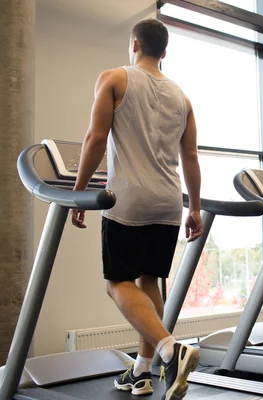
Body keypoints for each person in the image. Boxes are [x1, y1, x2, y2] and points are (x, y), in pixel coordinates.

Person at [71, 19, 202, 399]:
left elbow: (96, 138)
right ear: (164, 52)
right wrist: (194, 207)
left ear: (134, 44)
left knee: (118, 284)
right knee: (149, 281)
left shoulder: (114, 78)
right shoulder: (182, 96)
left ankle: (168, 349)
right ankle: (142, 372)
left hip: (128, 199)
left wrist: (79, 193)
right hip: (168, 202)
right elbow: (190, 157)